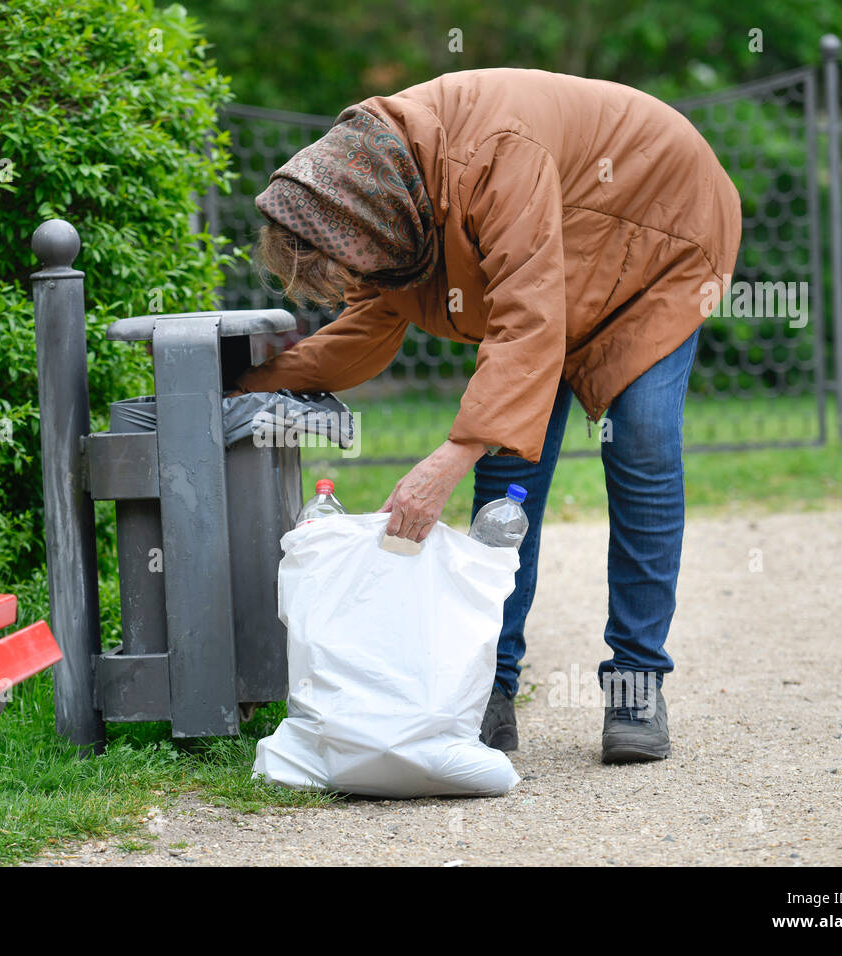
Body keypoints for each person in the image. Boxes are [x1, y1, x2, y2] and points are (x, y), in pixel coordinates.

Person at [230, 68, 742, 764]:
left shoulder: (496, 154)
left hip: (657, 232)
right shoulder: (390, 200)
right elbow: (363, 330)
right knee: (511, 472)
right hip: (561, 249)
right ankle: (490, 690)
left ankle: (636, 684)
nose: (357, 287)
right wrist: (242, 382)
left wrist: (450, 454)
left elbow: (527, 322)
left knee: (641, 442)